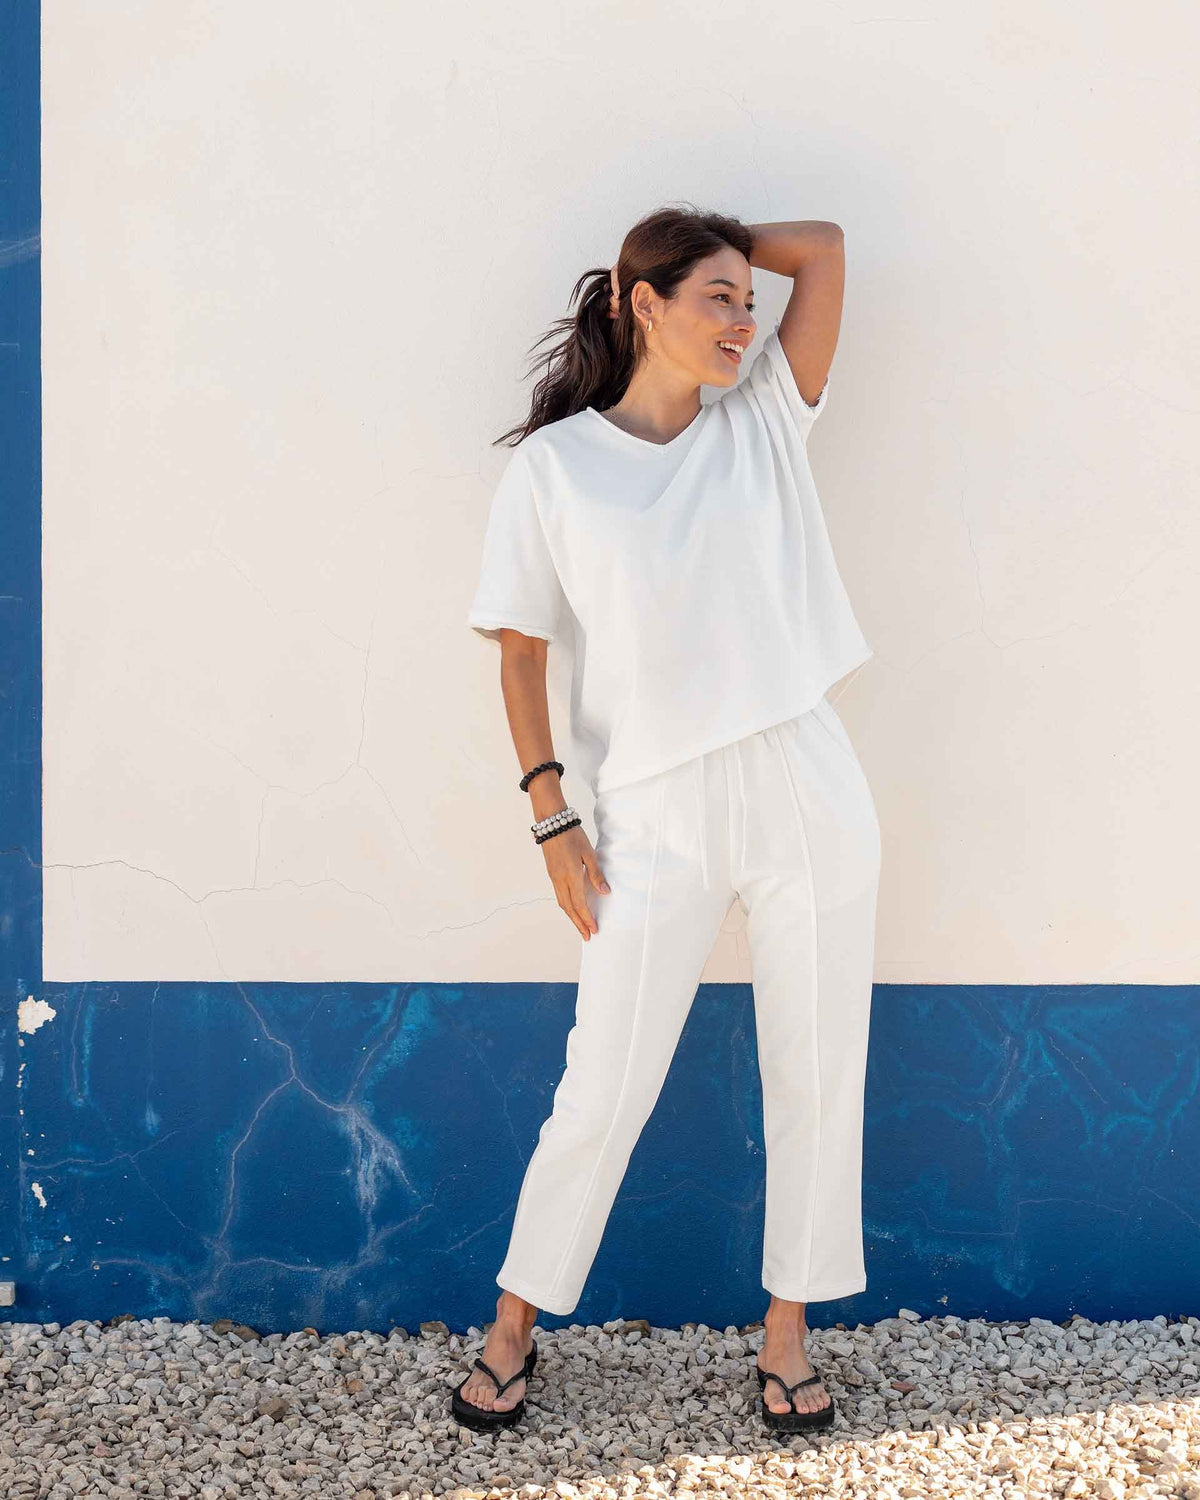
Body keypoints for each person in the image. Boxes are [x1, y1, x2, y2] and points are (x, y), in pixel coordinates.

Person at [452, 205, 881, 1436]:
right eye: (718, 298)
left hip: (803, 775)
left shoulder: (765, 424)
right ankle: (516, 1322)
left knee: (815, 1068)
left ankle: (787, 1333)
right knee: (605, 1082)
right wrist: (552, 816)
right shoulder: (556, 467)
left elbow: (831, 247)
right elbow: (520, 653)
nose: (747, 320)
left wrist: (722, 239)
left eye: (751, 300)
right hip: (649, 803)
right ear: (644, 305)